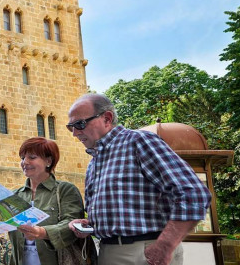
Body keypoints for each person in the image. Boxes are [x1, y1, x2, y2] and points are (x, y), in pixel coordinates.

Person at [66, 94, 212, 265]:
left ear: (107, 118)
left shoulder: (138, 141)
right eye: (71, 127)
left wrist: (166, 244)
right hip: (109, 251)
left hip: (145, 252)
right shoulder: (94, 162)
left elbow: (193, 193)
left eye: (80, 124)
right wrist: (90, 224)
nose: (75, 133)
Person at [0, 137, 85, 265]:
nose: (25, 162)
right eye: (22, 158)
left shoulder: (65, 190)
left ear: (48, 161)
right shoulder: (14, 195)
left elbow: (72, 225)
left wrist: (41, 233)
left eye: (32, 157)